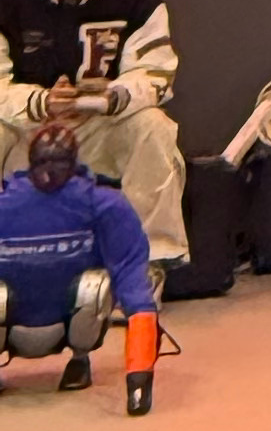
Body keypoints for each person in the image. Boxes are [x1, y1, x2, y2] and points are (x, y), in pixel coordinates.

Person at [0, 0, 188, 271]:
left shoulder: (138, 5)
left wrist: (111, 98)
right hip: (26, 130)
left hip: (97, 129)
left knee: (153, 125)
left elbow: (156, 78)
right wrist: (41, 102)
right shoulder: (5, 2)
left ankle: (151, 261)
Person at [0, 115, 161, 404]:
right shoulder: (103, 202)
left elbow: (133, 284)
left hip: (43, 322)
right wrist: (139, 382)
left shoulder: (101, 204)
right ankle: (79, 359)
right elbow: (133, 285)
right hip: (63, 321)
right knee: (123, 278)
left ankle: (79, 359)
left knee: (103, 281)